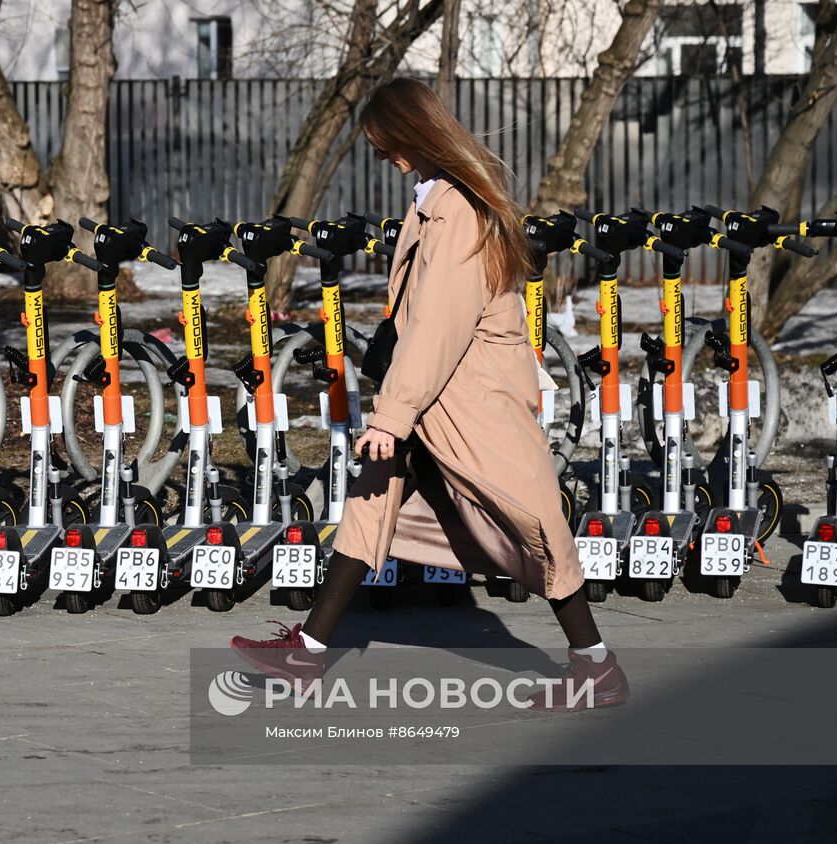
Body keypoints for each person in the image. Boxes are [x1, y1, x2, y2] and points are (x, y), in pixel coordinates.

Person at [230, 78, 628, 712]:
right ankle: (307, 652)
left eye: (387, 143)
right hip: (438, 394)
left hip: (471, 396)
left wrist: (392, 415)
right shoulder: (439, 203)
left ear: (412, 136)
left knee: (536, 521)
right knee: (370, 501)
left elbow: (438, 325)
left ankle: (595, 666)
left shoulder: (458, 211)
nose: (385, 155)